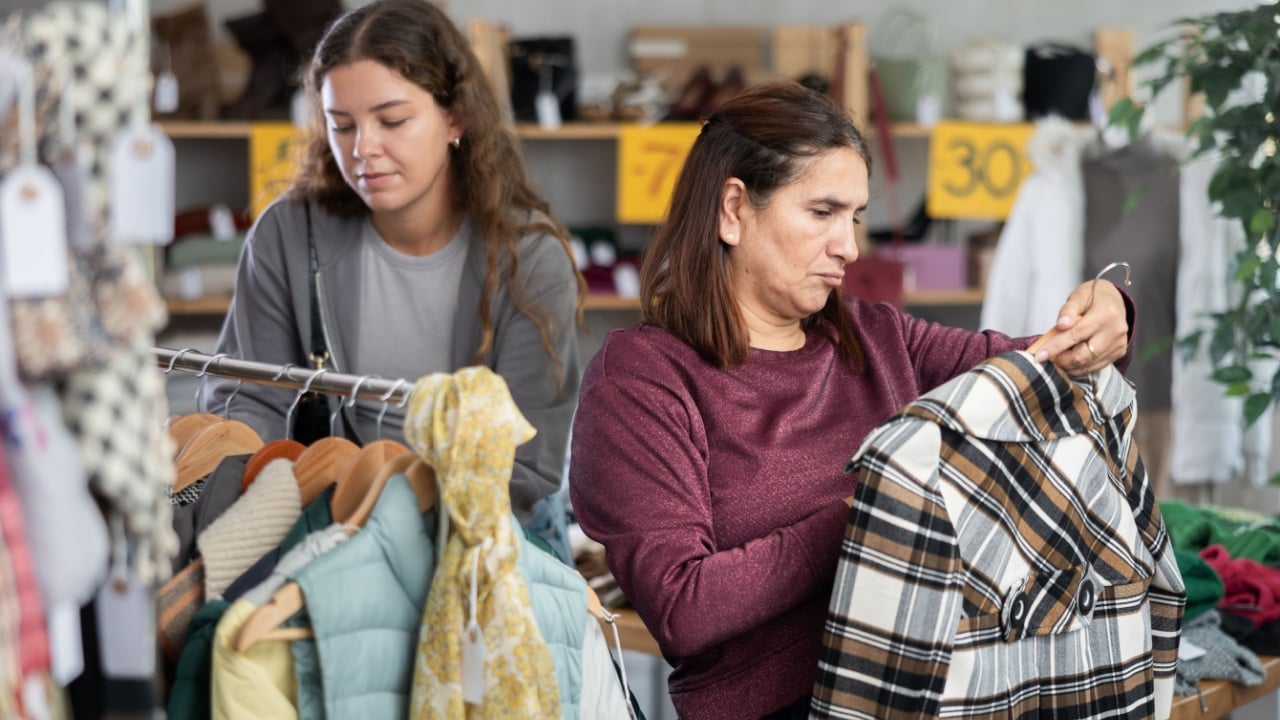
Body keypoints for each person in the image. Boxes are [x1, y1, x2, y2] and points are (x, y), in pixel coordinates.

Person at [568, 82, 1134, 720]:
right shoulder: (644, 379)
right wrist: (880, 505)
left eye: (855, 218)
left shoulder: (877, 337)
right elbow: (683, 608)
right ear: (733, 209)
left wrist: (1108, 315)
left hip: (940, 690)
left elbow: (1037, 363)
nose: (849, 247)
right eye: (822, 213)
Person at [203, 0, 584, 528]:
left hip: (487, 530)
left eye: (392, 120)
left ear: (457, 118)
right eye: (341, 125)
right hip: (327, 515)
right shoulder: (286, 237)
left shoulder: (530, 260)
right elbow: (248, 405)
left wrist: (395, 536)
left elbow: (525, 465)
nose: (364, 149)